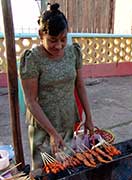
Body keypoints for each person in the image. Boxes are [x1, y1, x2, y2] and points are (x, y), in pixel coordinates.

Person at [19, 3, 94, 170]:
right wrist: (52, 133)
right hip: (43, 126)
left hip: (67, 120)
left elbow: (80, 86)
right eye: (52, 40)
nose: (59, 45)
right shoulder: (32, 59)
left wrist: (89, 117)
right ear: (41, 34)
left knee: (66, 167)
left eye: (63, 39)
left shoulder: (73, 52)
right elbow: (31, 101)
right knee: (45, 170)